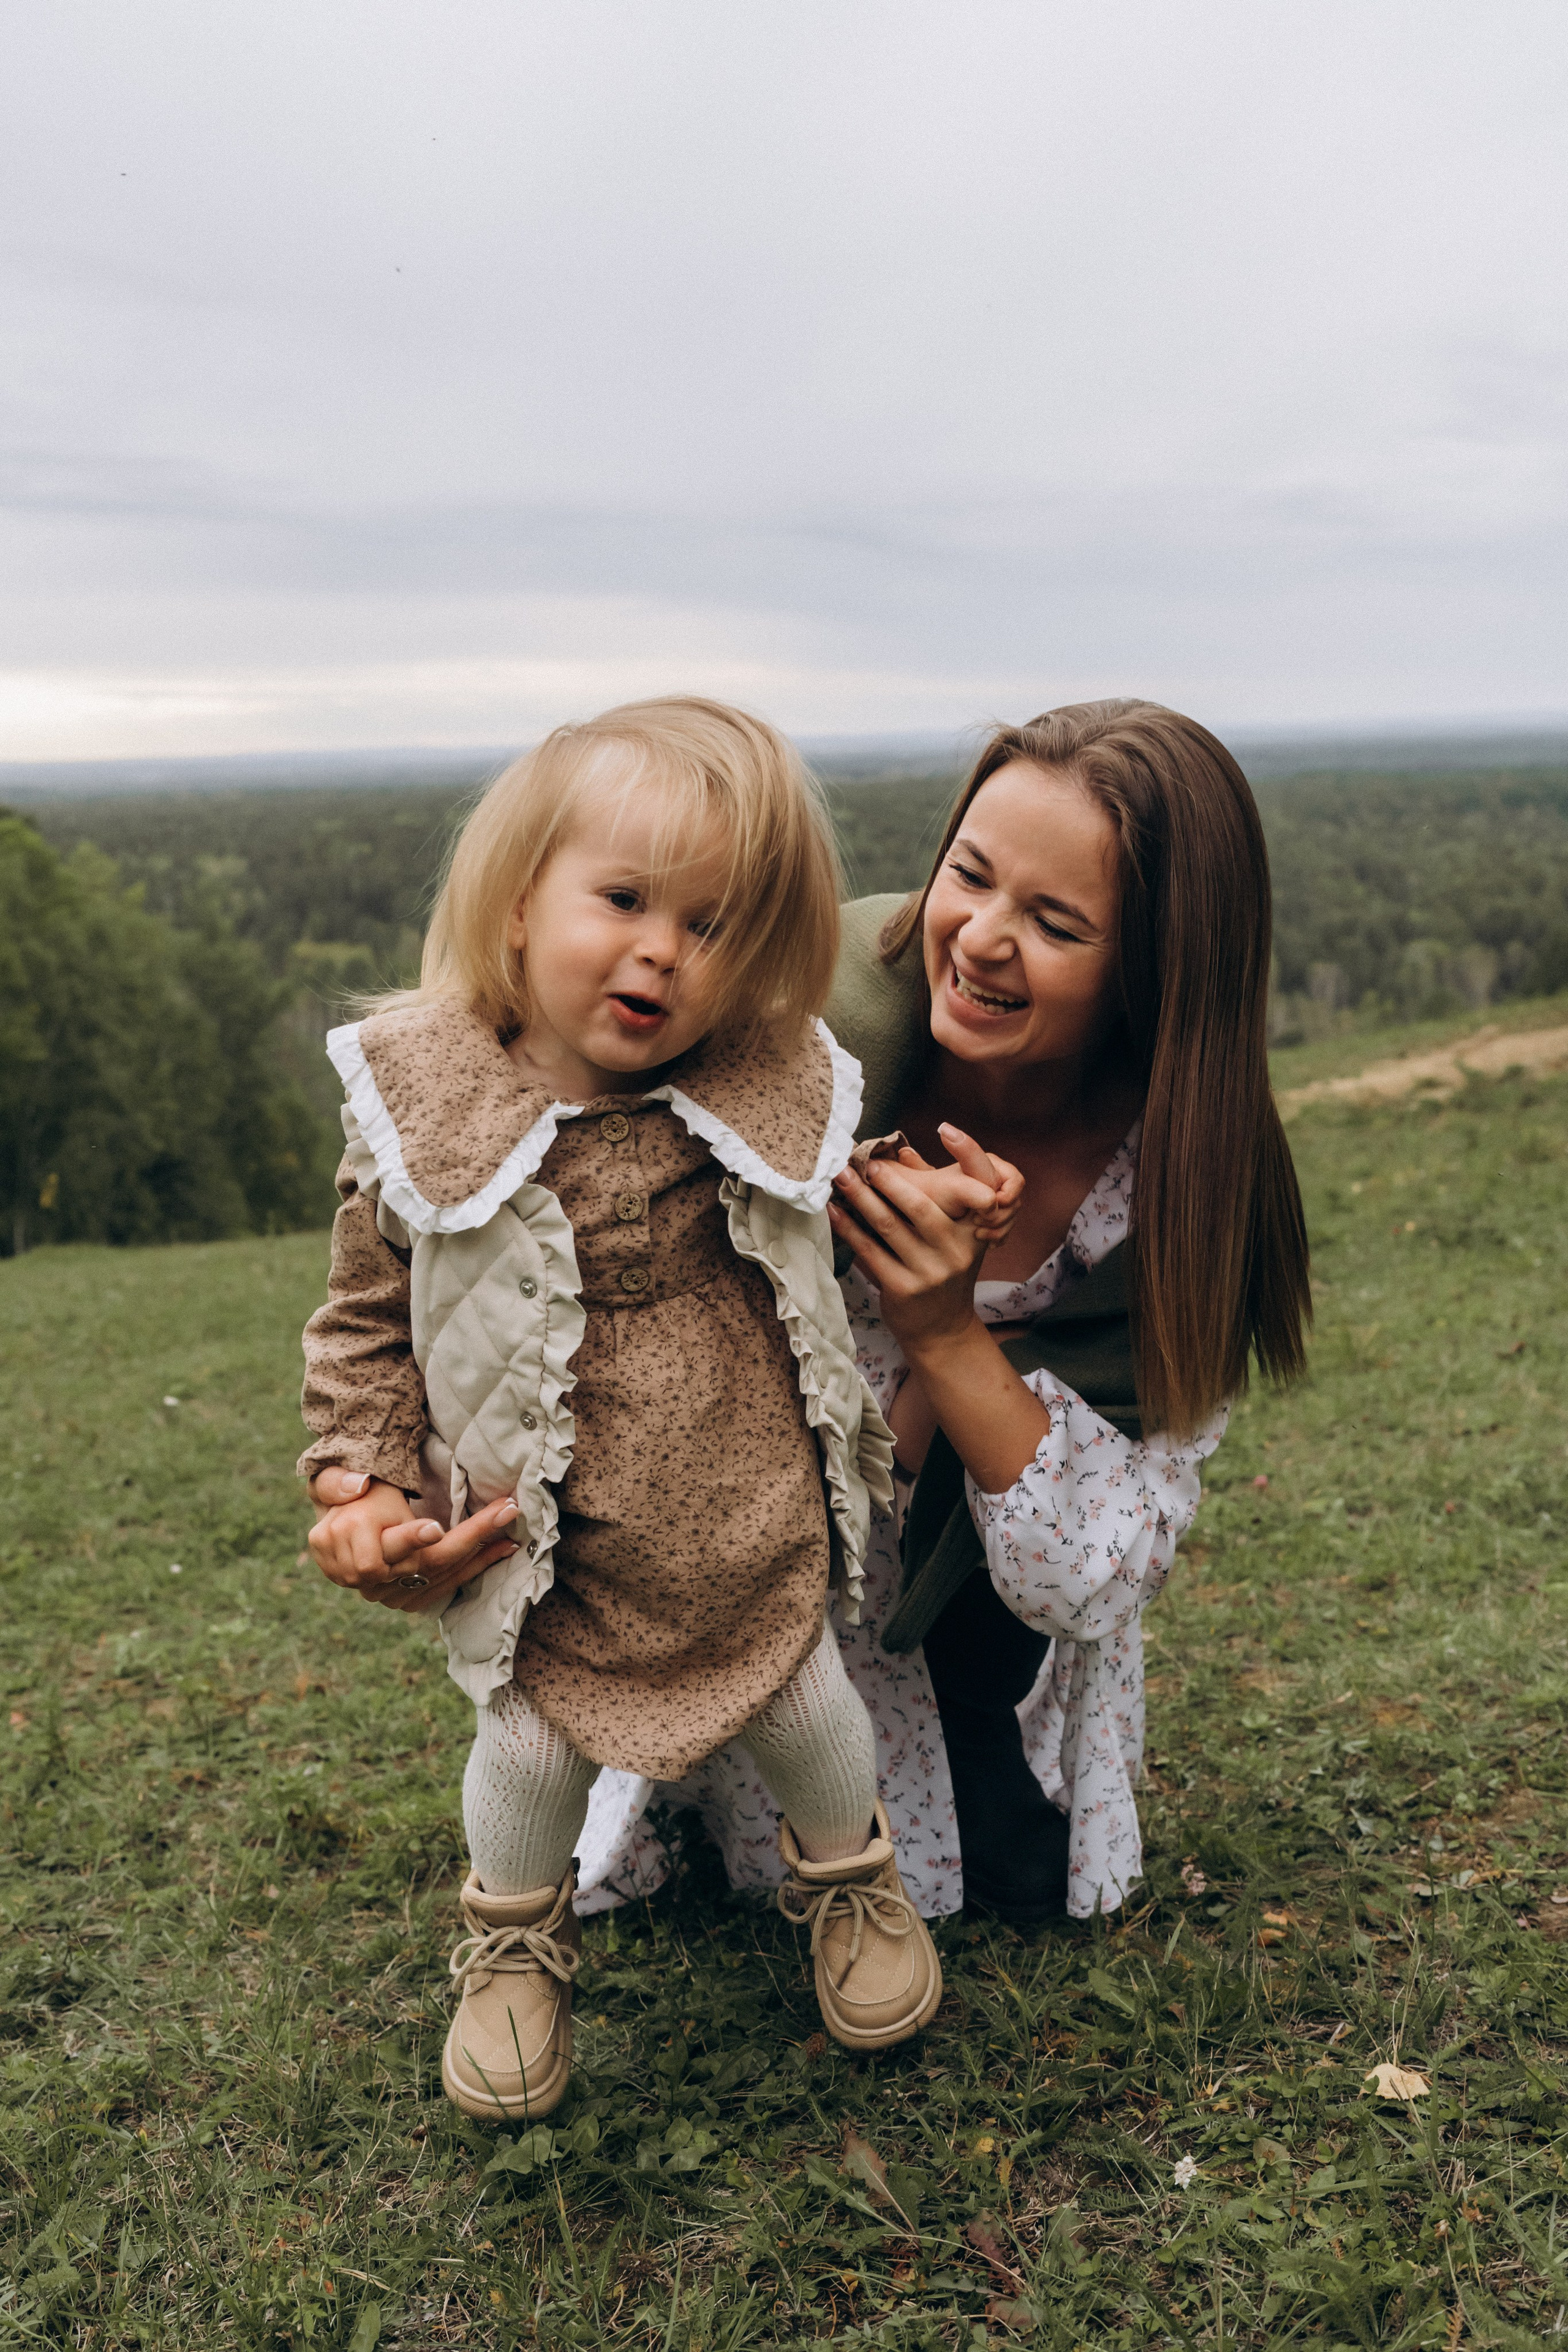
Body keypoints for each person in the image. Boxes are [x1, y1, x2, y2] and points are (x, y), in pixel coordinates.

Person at [298, 697, 1009, 2124]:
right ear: (516, 906)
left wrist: (926, 1201)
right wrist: (359, 1486)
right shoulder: (429, 1114)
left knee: (811, 1711)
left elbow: (831, 1192)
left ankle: (849, 1881)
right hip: (546, 1536)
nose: (660, 953)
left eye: (712, 928)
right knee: (528, 1748)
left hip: (739, 1512)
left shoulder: (751, 1089)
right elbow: (365, 1324)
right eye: (621, 899)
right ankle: (510, 1941)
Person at [569, 697, 1309, 1931]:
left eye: (1056, 922)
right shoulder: (808, 1025)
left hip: (980, 1669)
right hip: (753, 1611)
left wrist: (945, 1332)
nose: (981, 938)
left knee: (996, 1895)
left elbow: (1095, 1576)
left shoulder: (1178, 1190)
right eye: (969, 873)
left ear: (1151, 970)